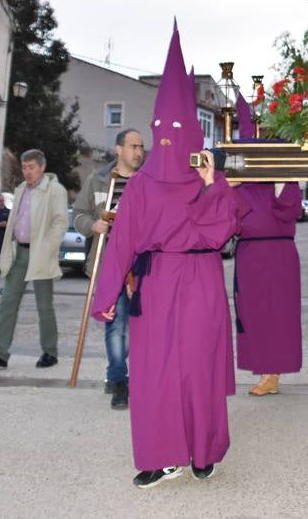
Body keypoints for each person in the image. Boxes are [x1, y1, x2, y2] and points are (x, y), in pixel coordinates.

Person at [89, 24, 242, 488]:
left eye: (180, 128)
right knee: (156, 372)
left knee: (197, 368)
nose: (170, 137)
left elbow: (223, 232)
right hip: (157, 285)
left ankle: (203, 450)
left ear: (194, 133)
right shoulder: (142, 186)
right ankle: (161, 454)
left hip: (200, 280)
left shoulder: (207, 182)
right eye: (163, 129)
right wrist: (107, 293)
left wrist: (215, 185)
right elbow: (123, 242)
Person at [229, 94, 304, 397]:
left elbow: (290, 208)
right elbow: (228, 212)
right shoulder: (238, 170)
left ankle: (273, 371)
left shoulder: (281, 168)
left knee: (278, 314)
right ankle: (263, 369)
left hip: (277, 255)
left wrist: (279, 179)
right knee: (252, 313)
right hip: (249, 254)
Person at [0, 148, 68, 370]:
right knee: (7, 303)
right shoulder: (20, 190)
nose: (27, 172)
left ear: (42, 167)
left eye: (31, 167)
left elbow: (60, 222)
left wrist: (47, 248)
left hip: (41, 254)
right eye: (24, 167)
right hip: (19, 253)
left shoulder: (55, 190)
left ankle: (49, 352)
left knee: (44, 306)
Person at [74, 127, 146, 410]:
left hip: (141, 264)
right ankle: (119, 380)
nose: (138, 152)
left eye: (141, 147)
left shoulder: (148, 182)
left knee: (135, 327)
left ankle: (114, 370)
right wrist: (93, 225)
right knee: (116, 324)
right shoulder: (98, 180)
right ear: (118, 149)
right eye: (133, 146)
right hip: (107, 263)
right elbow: (78, 214)